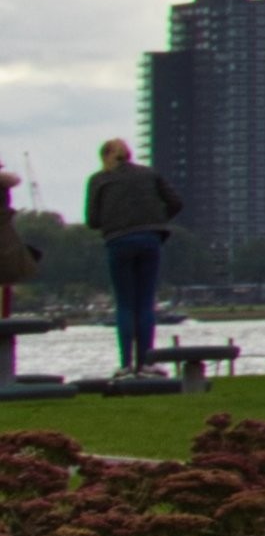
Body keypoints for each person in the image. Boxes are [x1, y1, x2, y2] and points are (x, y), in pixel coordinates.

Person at [83, 136, 181, 376]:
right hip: (150, 239)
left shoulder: (98, 180)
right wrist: (157, 219)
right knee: (146, 303)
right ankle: (147, 362)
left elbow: (92, 220)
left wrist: (113, 220)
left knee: (125, 304)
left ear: (105, 157)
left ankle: (126, 364)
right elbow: (175, 202)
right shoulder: (149, 174)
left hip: (118, 242)